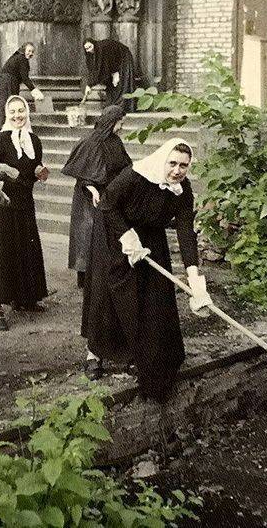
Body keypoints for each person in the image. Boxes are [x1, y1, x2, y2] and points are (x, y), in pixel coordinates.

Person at [85, 137, 212, 399]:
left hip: (152, 238)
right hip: (115, 232)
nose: (177, 170)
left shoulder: (182, 189)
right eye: (172, 163)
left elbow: (185, 231)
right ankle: (94, 352)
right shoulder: (135, 175)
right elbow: (107, 205)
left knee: (152, 296)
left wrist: (195, 281)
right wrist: (127, 237)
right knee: (112, 294)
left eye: (184, 166)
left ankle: (139, 352)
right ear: (163, 159)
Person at [60, 105, 132, 378]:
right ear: (112, 121)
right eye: (120, 121)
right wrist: (91, 188)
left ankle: (122, 347)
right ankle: (95, 351)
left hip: (115, 205)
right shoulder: (90, 142)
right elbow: (82, 173)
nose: (122, 126)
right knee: (95, 264)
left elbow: (125, 171)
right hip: (94, 205)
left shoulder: (116, 143)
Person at [0, 95, 50, 330]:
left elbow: (31, 171)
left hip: (24, 203)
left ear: (27, 113)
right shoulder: (0, 139)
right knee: (2, 253)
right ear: (7, 115)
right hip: (1, 204)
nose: (18, 116)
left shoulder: (34, 141)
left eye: (21, 111)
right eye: (13, 112)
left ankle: (24, 299)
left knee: (26, 249)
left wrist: (39, 172)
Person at [0, 42, 44, 130]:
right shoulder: (22, 59)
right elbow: (25, 78)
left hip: (2, 82)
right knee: (9, 105)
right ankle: (7, 129)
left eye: (32, 52)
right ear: (24, 50)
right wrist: (34, 90)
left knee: (2, 106)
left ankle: (1, 128)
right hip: (8, 84)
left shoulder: (16, 56)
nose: (30, 53)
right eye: (29, 51)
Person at [82, 38, 137, 111]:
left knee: (123, 83)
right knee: (111, 83)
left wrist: (116, 73)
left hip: (123, 57)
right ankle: (113, 105)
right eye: (86, 49)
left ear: (94, 44)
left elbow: (108, 63)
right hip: (114, 63)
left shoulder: (102, 48)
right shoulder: (91, 55)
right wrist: (89, 85)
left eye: (90, 47)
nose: (89, 50)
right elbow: (94, 70)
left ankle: (124, 106)